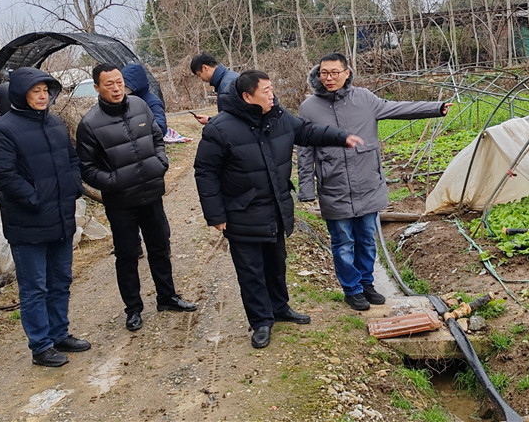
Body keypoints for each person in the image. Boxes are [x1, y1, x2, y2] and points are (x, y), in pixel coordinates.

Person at [194, 70, 363, 349]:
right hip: (241, 212)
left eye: (272, 89)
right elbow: (205, 173)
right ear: (247, 97)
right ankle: (261, 322)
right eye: (266, 91)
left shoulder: (278, 117)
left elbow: (307, 131)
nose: (272, 95)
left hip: (275, 208)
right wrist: (216, 215)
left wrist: (340, 137)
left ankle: (280, 307)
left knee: (276, 264)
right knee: (251, 271)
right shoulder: (220, 129)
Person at [297, 53, 451, 311]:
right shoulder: (309, 107)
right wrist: (306, 189)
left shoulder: (365, 98)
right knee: (343, 241)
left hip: (367, 182)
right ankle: (352, 289)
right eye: (324, 73)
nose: (329, 78)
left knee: (367, 238)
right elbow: (304, 150)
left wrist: (434, 108)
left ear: (347, 73)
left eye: (335, 72)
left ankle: (367, 283)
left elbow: (398, 108)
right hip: (333, 186)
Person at [76, 64, 197, 332]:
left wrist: (160, 163)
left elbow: (157, 137)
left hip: (151, 194)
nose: (116, 88)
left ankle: (168, 297)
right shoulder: (89, 124)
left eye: (119, 82)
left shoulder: (140, 106)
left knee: (159, 246)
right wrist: (114, 182)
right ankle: (133, 309)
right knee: (127, 255)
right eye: (109, 85)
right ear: (97, 88)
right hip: (120, 203)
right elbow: (87, 168)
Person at [0, 68, 91, 367]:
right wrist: (35, 198)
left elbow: (71, 160)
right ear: (21, 93)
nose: (43, 95)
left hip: (60, 218)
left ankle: (60, 334)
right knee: (35, 287)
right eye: (36, 91)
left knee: (61, 280)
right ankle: (41, 346)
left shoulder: (54, 122)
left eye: (46, 90)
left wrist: (73, 187)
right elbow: (3, 174)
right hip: (28, 223)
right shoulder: (3, 129)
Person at [189, 53, 239, 124]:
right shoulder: (231, 76)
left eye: (199, 75)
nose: (202, 79)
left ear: (205, 68)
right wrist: (210, 120)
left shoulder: (226, 86)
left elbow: (231, 122)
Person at [121, 63, 167, 135]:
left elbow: (160, 128)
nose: (124, 88)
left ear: (136, 83)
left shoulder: (152, 103)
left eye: (126, 85)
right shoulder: (125, 100)